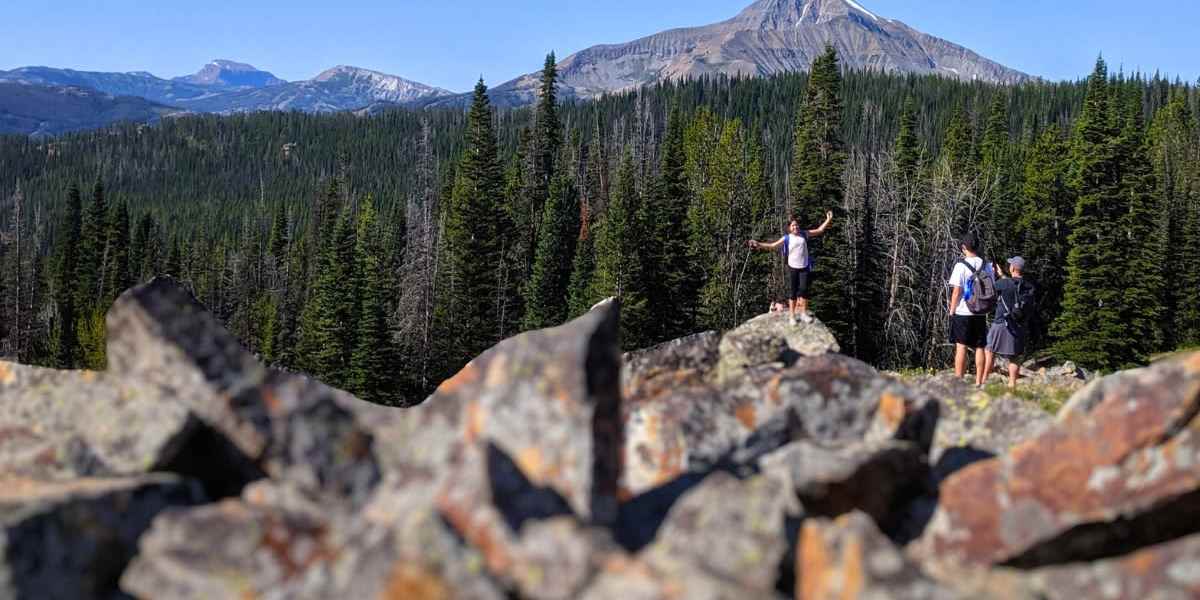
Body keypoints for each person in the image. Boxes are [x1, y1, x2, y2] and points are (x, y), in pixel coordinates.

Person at [748, 211, 833, 325]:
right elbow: (773, 245)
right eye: (793, 225)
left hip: (804, 266)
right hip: (793, 267)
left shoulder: (804, 234)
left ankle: (803, 313)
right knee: (793, 292)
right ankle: (792, 316)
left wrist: (828, 219)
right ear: (789, 228)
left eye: (796, 225)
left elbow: (819, 230)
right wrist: (758, 244)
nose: (795, 226)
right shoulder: (787, 238)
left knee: (804, 290)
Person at [947, 235, 991, 386]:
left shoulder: (960, 266)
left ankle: (958, 380)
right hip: (980, 311)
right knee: (980, 346)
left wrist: (952, 310)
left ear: (964, 248)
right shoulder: (986, 265)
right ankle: (979, 381)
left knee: (961, 346)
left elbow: (956, 291)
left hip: (963, 311)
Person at [984, 257, 1035, 388]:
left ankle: (984, 379)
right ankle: (1012, 384)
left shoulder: (1004, 284)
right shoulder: (1029, 287)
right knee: (1014, 356)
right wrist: (1002, 275)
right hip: (1019, 325)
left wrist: (993, 274)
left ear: (1012, 268)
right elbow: (1014, 285)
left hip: (1001, 322)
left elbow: (990, 290)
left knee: (990, 350)